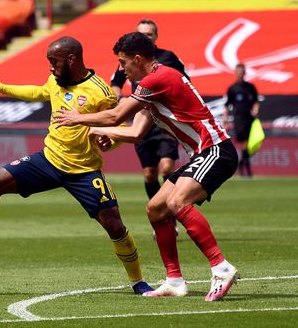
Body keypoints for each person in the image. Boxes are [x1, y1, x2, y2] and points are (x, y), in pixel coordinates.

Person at [0, 36, 154, 295]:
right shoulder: (55, 81)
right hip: (48, 160)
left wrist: (110, 141)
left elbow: (117, 126)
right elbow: (38, 92)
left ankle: (138, 281)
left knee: (115, 226)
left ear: (71, 59)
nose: (51, 68)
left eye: (54, 62)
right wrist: (0, 86)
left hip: (84, 170)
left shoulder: (100, 92)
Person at [54, 32, 239, 301]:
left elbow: (117, 115)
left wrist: (78, 118)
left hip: (216, 150)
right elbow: (136, 132)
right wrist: (107, 134)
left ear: (137, 59)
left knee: (177, 203)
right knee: (155, 209)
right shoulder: (151, 85)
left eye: (123, 62)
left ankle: (221, 267)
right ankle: (174, 281)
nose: (120, 68)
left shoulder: (159, 78)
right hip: (202, 153)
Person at [111, 19, 187, 200]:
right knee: (149, 174)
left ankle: (171, 206)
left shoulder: (168, 57)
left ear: (156, 36)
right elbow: (116, 85)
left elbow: (185, 83)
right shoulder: (129, 60)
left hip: (163, 120)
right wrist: (120, 100)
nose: (145, 37)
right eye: (141, 34)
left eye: (149, 34)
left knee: (167, 167)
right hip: (142, 119)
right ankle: (163, 216)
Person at [223, 63, 260, 177]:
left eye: (242, 71)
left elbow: (256, 101)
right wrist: (225, 119)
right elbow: (227, 104)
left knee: (250, 143)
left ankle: (243, 164)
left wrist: (255, 109)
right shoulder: (232, 88)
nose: (240, 74)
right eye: (238, 71)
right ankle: (244, 165)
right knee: (244, 142)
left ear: (244, 73)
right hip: (238, 119)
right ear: (235, 73)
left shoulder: (250, 87)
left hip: (250, 119)